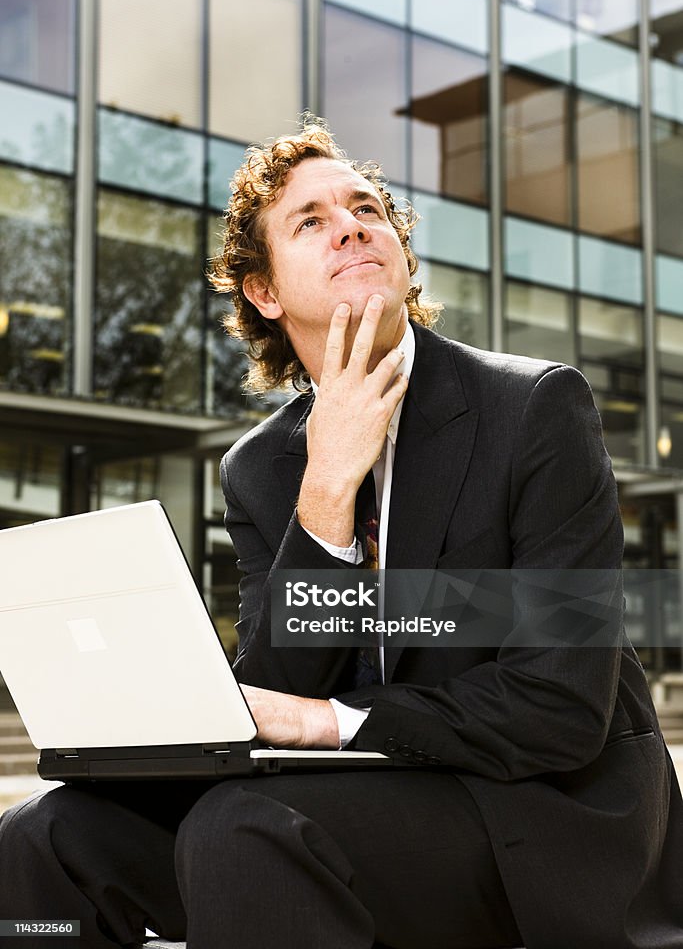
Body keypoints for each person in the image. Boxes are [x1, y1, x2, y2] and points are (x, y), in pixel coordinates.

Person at [0, 118, 682, 949]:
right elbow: (276, 678)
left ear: (399, 251)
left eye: (365, 208)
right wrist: (325, 493)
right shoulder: (259, 467)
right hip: (353, 793)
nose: (353, 223)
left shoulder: (533, 409)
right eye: (311, 221)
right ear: (264, 292)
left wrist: (328, 720)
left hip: (536, 808)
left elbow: (558, 705)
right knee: (41, 837)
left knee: (246, 828)